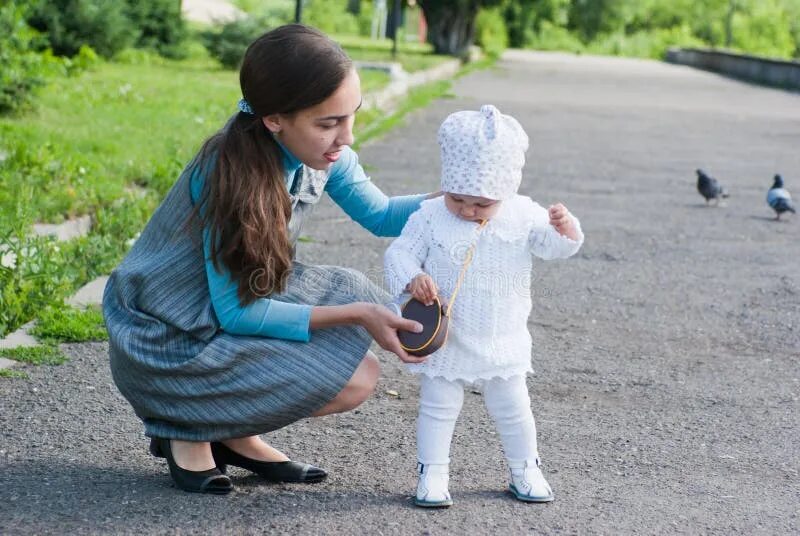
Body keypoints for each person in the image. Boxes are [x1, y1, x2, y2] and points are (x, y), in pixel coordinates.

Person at [102, 24, 433, 495]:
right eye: (328, 123)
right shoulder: (230, 175)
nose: (346, 136)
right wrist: (359, 314)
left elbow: (381, 214)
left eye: (351, 115)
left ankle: (233, 434)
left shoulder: (323, 154)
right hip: (167, 341)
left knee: (358, 359)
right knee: (354, 356)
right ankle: (185, 425)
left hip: (219, 316)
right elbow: (238, 312)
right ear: (274, 119)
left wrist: (460, 200)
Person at [384, 104, 584, 507]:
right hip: (448, 334)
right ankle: (432, 473)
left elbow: (554, 247)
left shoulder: (523, 214)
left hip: (502, 334)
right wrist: (413, 276)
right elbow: (398, 253)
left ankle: (526, 468)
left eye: (483, 203)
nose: (469, 210)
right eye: (458, 199)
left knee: (513, 407)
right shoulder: (430, 216)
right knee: (438, 406)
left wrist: (566, 229)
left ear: (506, 191)